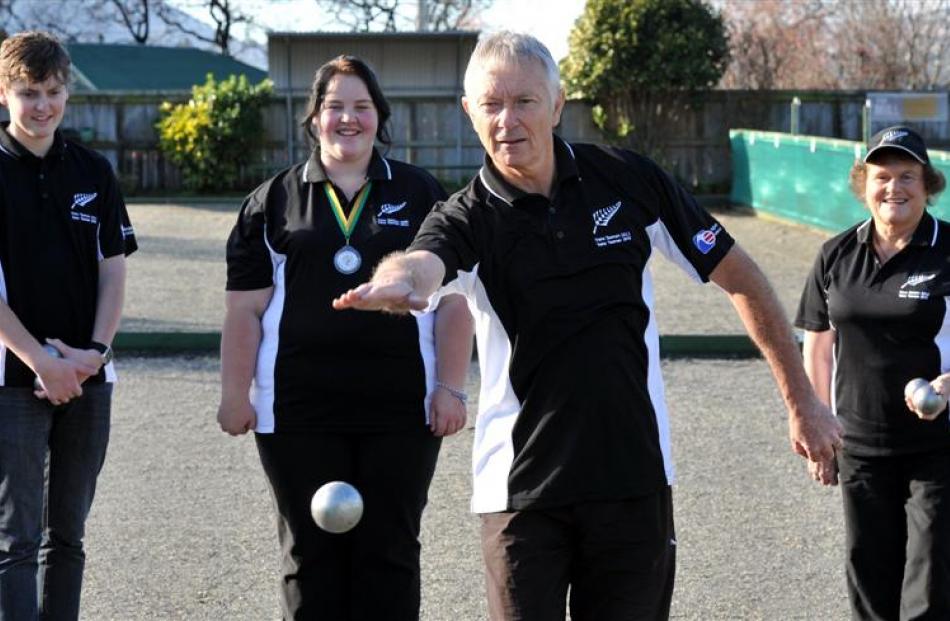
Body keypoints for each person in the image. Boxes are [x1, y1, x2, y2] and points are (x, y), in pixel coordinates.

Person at [334, 31, 843, 620]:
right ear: (469, 113)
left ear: (557, 104)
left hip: (634, 479)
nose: (507, 121)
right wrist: (396, 282)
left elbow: (741, 277)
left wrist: (802, 400)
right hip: (520, 494)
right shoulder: (464, 217)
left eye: (524, 101)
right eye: (491, 105)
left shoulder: (629, 182)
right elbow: (421, 266)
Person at [217, 55, 473, 621]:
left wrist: (450, 389)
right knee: (310, 557)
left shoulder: (423, 192)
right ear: (313, 119)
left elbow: (455, 302)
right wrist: (235, 394)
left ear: (380, 117)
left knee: (391, 555)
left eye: (361, 107)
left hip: (400, 411)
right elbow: (244, 311)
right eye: (335, 107)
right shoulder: (271, 202)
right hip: (299, 413)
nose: (348, 119)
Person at [0, 31, 136, 621]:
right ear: (4, 93)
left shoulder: (94, 171)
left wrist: (94, 354)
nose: (42, 106)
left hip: (88, 378)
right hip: (12, 380)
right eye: (28, 93)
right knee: (16, 540)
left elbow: (113, 271)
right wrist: (42, 362)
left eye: (53, 92)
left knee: (69, 538)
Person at [796, 125, 949, 620]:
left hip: (938, 446)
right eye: (882, 176)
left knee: (931, 582)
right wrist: (818, 430)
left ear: (928, 185)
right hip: (860, 444)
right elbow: (818, 349)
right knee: (869, 577)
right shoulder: (835, 255)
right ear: (864, 183)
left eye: (908, 176)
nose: (894, 188)